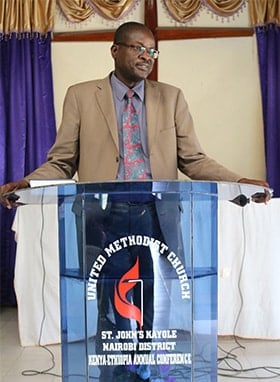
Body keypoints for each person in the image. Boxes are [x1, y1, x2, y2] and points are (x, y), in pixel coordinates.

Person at [0, 21, 270, 382]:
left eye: (151, 51)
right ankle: (112, 372)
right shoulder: (81, 95)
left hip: (154, 214)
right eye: (138, 48)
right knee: (108, 297)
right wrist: (29, 183)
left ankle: (143, 367)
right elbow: (62, 161)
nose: (146, 56)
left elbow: (193, 159)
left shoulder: (170, 97)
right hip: (101, 214)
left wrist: (237, 180)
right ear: (115, 50)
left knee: (146, 296)